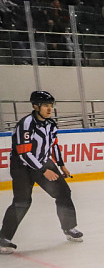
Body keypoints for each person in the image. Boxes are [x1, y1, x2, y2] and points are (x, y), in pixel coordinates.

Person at [1, 91, 82, 253]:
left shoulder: (50, 124)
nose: (49, 109)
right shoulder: (26, 124)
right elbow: (24, 153)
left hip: (43, 163)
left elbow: (53, 146)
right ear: (35, 106)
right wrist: (43, 170)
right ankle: (3, 238)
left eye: (51, 105)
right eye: (46, 105)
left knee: (63, 192)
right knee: (22, 201)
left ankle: (69, 228)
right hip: (22, 168)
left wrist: (61, 165)